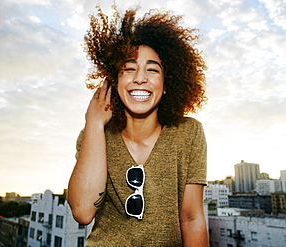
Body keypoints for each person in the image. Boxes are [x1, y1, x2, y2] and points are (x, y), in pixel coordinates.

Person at [68, 5, 208, 246]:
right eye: (129, 69)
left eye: (152, 70)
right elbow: (83, 212)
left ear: (166, 84)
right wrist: (93, 123)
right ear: (115, 80)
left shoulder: (188, 133)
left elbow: (191, 217)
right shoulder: (94, 135)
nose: (140, 78)